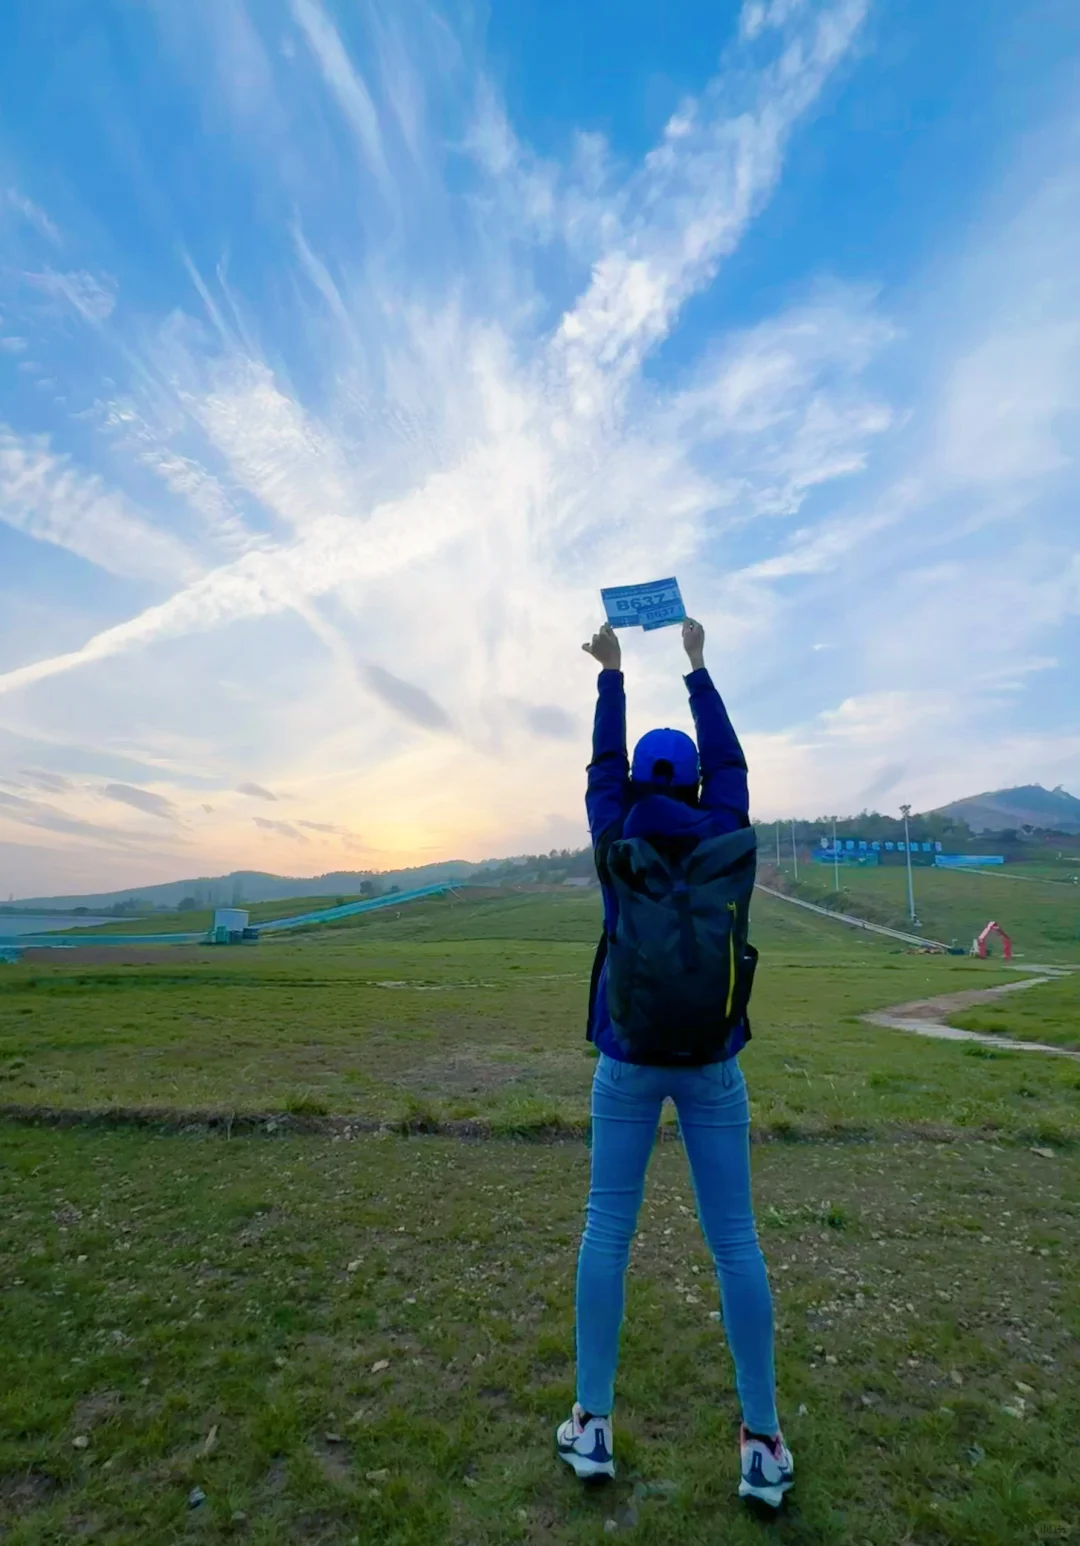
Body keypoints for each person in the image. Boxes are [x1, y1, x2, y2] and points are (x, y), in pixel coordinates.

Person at [555, 617, 793, 1510]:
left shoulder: (615, 834)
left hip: (625, 1058)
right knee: (735, 1240)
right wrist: (698, 667)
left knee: (605, 1232)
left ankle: (593, 1425)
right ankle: (762, 1443)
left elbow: (599, 772)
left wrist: (611, 677)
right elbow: (733, 768)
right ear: (694, 782)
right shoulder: (727, 831)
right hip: (712, 1066)